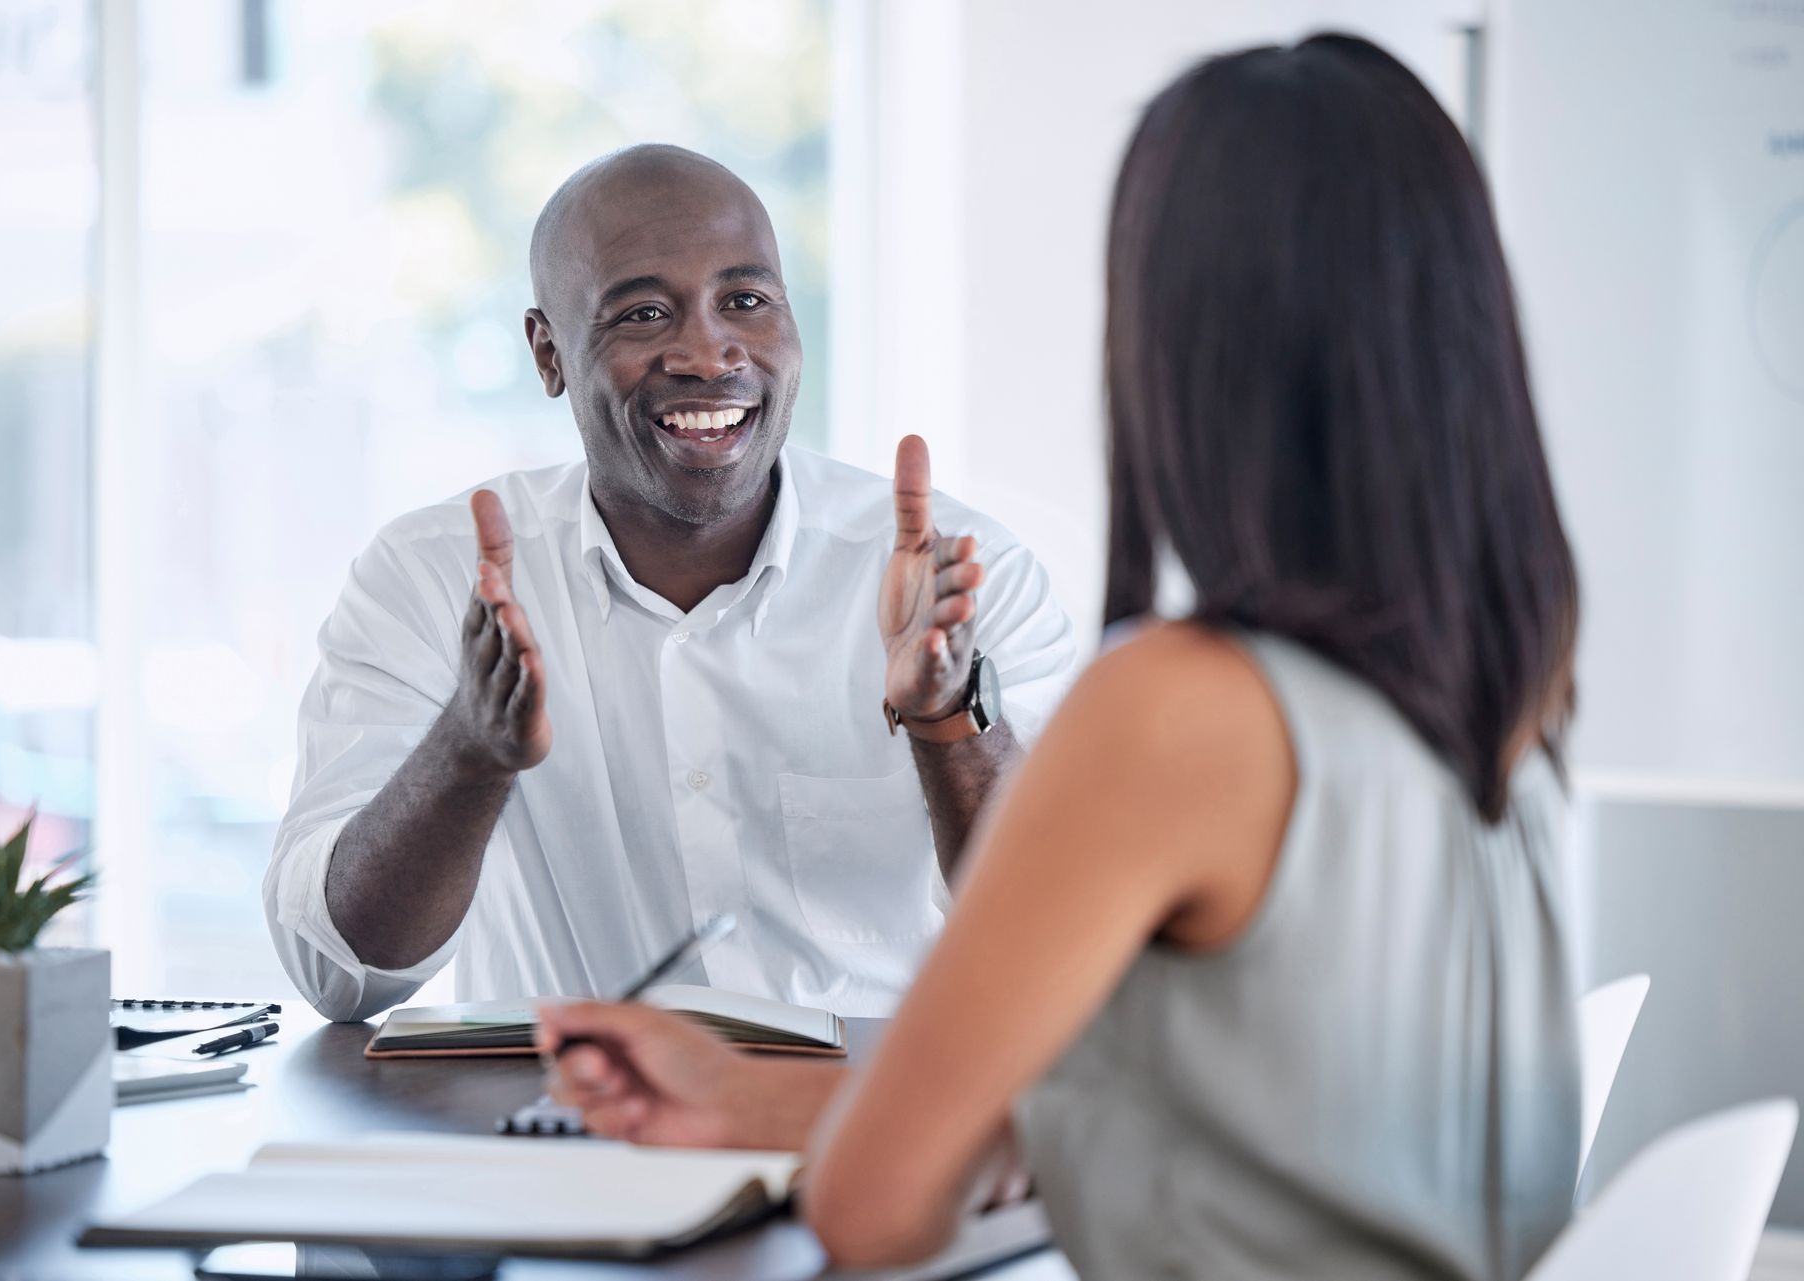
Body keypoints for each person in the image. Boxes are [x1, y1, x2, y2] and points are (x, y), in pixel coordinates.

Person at [539, 35, 1584, 1281]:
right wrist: (758, 1101)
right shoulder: (1505, 685)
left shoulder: (1180, 710)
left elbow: (877, 1216)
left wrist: (861, 1133)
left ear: (1178, 342)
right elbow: (1252, 1135)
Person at [263, 145, 1076, 1023]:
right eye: (644, 313)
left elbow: (1068, 938)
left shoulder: (961, 577)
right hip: (562, 1135)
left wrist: (948, 718)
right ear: (549, 353)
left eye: (746, 301)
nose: (705, 352)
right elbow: (340, 969)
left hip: (870, 1130)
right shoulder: (430, 579)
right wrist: (471, 747)